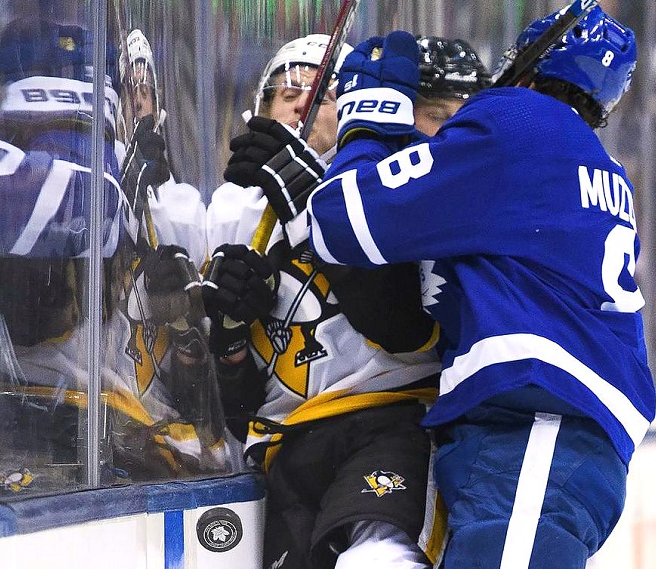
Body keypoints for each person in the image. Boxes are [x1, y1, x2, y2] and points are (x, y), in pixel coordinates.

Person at [307, 8, 655, 569]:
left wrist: (369, 121)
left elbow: (339, 221)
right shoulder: (590, 164)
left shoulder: (519, 125)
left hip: (538, 426)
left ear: (527, 66)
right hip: (556, 434)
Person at [203, 32, 486, 569]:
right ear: (258, 111)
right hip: (287, 448)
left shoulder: (393, 182)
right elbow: (233, 410)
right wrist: (231, 341)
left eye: (324, 96)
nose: (305, 106)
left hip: (389, 421)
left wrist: (309, 198)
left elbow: (403, 326)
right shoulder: (230, 216)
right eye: (288, 95)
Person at [0, 18, 225, 493]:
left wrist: (184, 328)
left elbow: (209, 422)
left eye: (145, 91)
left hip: (134, 442)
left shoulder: (172, 210)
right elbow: (36, 314)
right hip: (29, 430)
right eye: (128, 89)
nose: (139, 104)